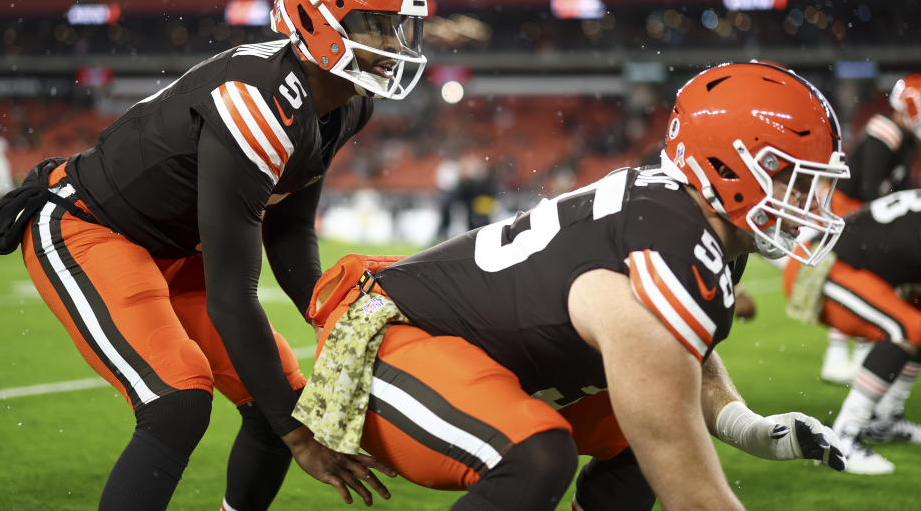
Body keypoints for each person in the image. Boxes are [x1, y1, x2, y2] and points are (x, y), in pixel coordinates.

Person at [0, 0, 429, 511]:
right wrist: (300, 437)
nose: (392, 42)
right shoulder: (256, 102)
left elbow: (291, 227)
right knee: (178, 402)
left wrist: (332, 322)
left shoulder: (347, 100)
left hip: (177, 247)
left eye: (397, 24)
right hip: (92, 227)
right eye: (376, 24)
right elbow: (231, 295)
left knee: (281, 407)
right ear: (316, 18)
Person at [294, 63, 849, 511]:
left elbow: (680, 362)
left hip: (486, 358)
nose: (809, 202)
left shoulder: (688, 220)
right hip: (396, 343)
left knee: (637, 440)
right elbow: (696, 495)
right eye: (790, 177)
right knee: (536, 454)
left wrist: (749, 429)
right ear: (726, 167)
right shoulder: (669, 243)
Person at [782, 188, 921, 474]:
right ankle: (841, 437)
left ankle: (885, 420)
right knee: (906, 328)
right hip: (821, 264)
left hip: (841, 260)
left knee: (915, 323)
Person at [819, 74, 921, 384]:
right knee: (858, 276)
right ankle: (838, 355)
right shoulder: (885, 130)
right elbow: (869, 186)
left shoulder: (905, 138)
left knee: (869, 281)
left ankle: (857, 355)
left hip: (861, 208)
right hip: (848, 206)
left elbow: (899, 187)